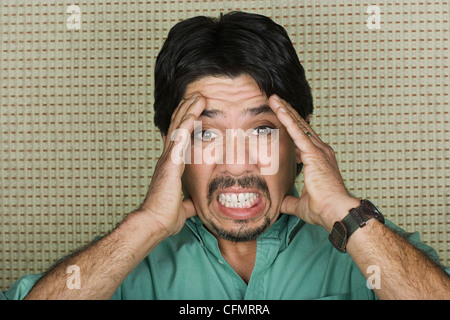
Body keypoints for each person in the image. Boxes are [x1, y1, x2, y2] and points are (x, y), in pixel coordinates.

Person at [2, 11, 449, 300]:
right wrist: (146, 226)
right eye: (204, 134)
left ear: (301, 139)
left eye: (261, 130)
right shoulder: (123, 272)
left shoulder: (371, 256)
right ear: (170, 147)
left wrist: (348, 217)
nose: (237, 164)